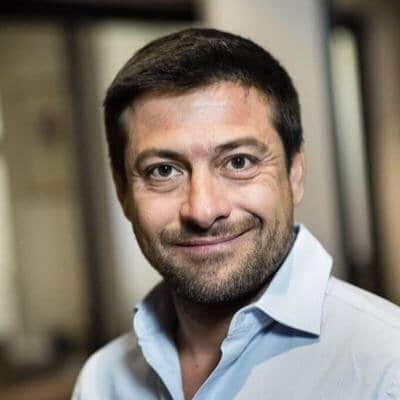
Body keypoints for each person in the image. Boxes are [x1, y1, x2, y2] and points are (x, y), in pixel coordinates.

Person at [72, 28, 400, 400]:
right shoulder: (102, 381)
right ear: (122, 192)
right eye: (163, 171)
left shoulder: (388, 367)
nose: (203, 210)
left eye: (239, 162)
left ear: (295, 173)